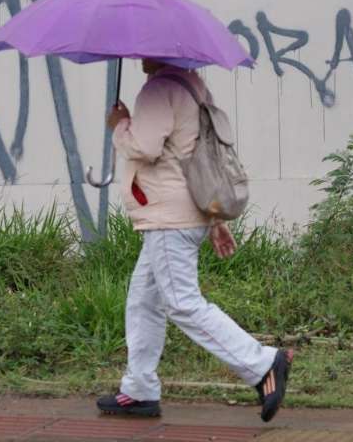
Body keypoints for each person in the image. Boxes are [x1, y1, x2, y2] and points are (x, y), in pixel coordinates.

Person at [96, 59, 293, 423]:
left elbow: (145, 148)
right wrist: (214, 217)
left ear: (160, 52)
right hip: (188, 211)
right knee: (144, 299)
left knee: (182, 302)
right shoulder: (192, 85)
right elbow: (197, 155)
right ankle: (139, 389)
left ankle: (262, 363)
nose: (140, 57)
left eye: (146, 50)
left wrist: (120, 125)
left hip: (168, 217)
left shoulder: (158, 90)